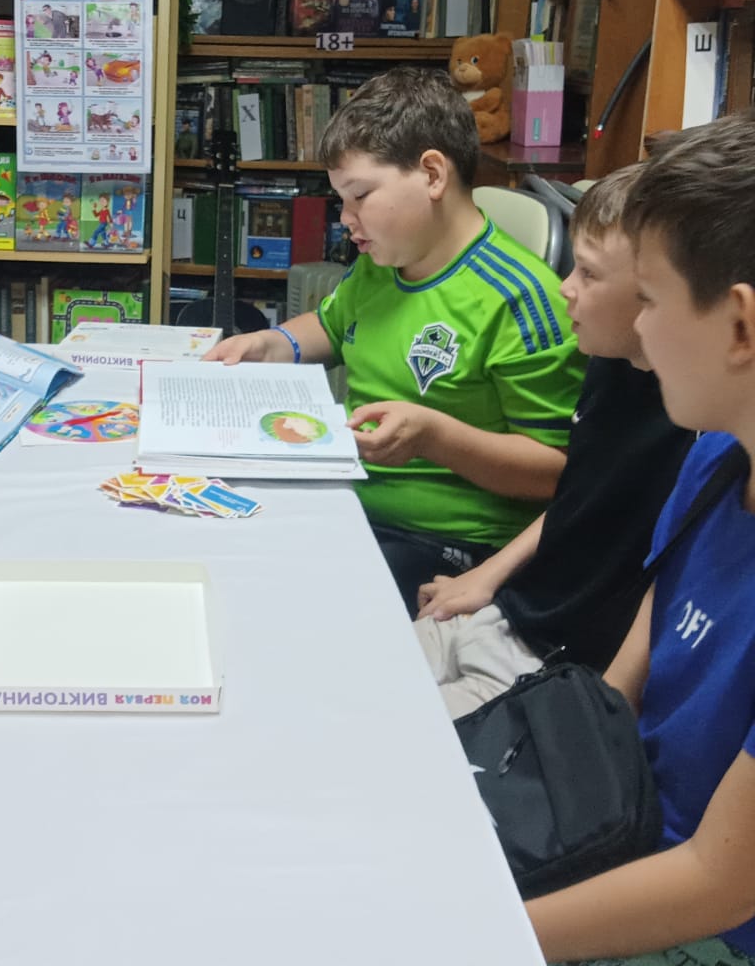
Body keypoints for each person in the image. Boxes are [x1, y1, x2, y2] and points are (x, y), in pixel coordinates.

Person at [206, 67, 584, 610]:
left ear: (432, 174)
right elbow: (333, 325)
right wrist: (271, 344)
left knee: (280, 601)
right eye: (341, 199)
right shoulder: (386, 260)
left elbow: (557, 472)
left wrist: (434, 437)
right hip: (350, 498)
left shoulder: (521, 298)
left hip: (448, 542)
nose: (346, 219)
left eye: (359, 195)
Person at [525, 117, 755, 966]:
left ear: (740, 327)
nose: (640, 336)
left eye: (650, 300)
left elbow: (719, 886)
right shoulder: (715, 459)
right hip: (626, 829)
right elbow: (628, 678)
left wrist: (466, 925)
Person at [412, 166, 693, 718]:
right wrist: (488, 576)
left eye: (588, 273)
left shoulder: (693, 418)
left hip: (550, 665)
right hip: (506, 613)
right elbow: (580, 496)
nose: (565, 286)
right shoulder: (610, 358)